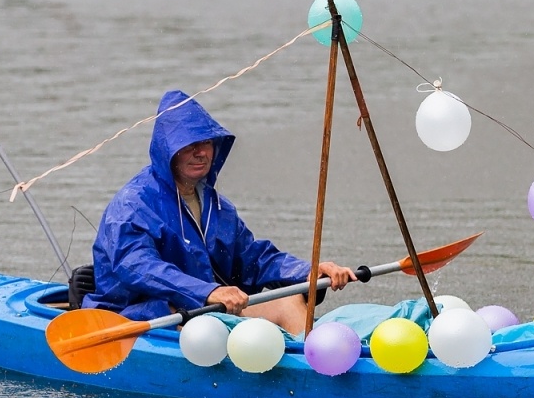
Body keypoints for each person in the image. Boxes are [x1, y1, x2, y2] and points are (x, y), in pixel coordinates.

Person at [83, 90, 354, 334]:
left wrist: (308, 272)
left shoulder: (218, 205)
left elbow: (254, 259)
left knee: (289, 300)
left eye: (206, 143)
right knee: (184, 317)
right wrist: (208, 291)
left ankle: (313, 363)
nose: (200, 153)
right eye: (188, 146)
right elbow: (138, 267)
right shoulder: (133, 204)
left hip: (206, 309)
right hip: (140, 314)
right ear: (168, 152)